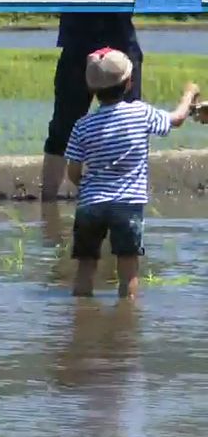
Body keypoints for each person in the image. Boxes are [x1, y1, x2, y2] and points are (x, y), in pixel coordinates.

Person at [64, 47, 200, 298]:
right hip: (127, 204)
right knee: (128, 271)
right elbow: (177, 119)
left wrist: (87, 187)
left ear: (92, 90)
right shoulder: (140, 113)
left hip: (90, 205)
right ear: (129, 83)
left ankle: (81, 320)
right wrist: (189, 94)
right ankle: (127, 322)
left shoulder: (82, 125)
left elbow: (73, 171)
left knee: (85, 268)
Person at [42, 0, 143, 201]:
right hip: (80, 41)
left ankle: (125, 196)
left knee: (129, 123)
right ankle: (48, 203)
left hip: (121, 41)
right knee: (64, 124)